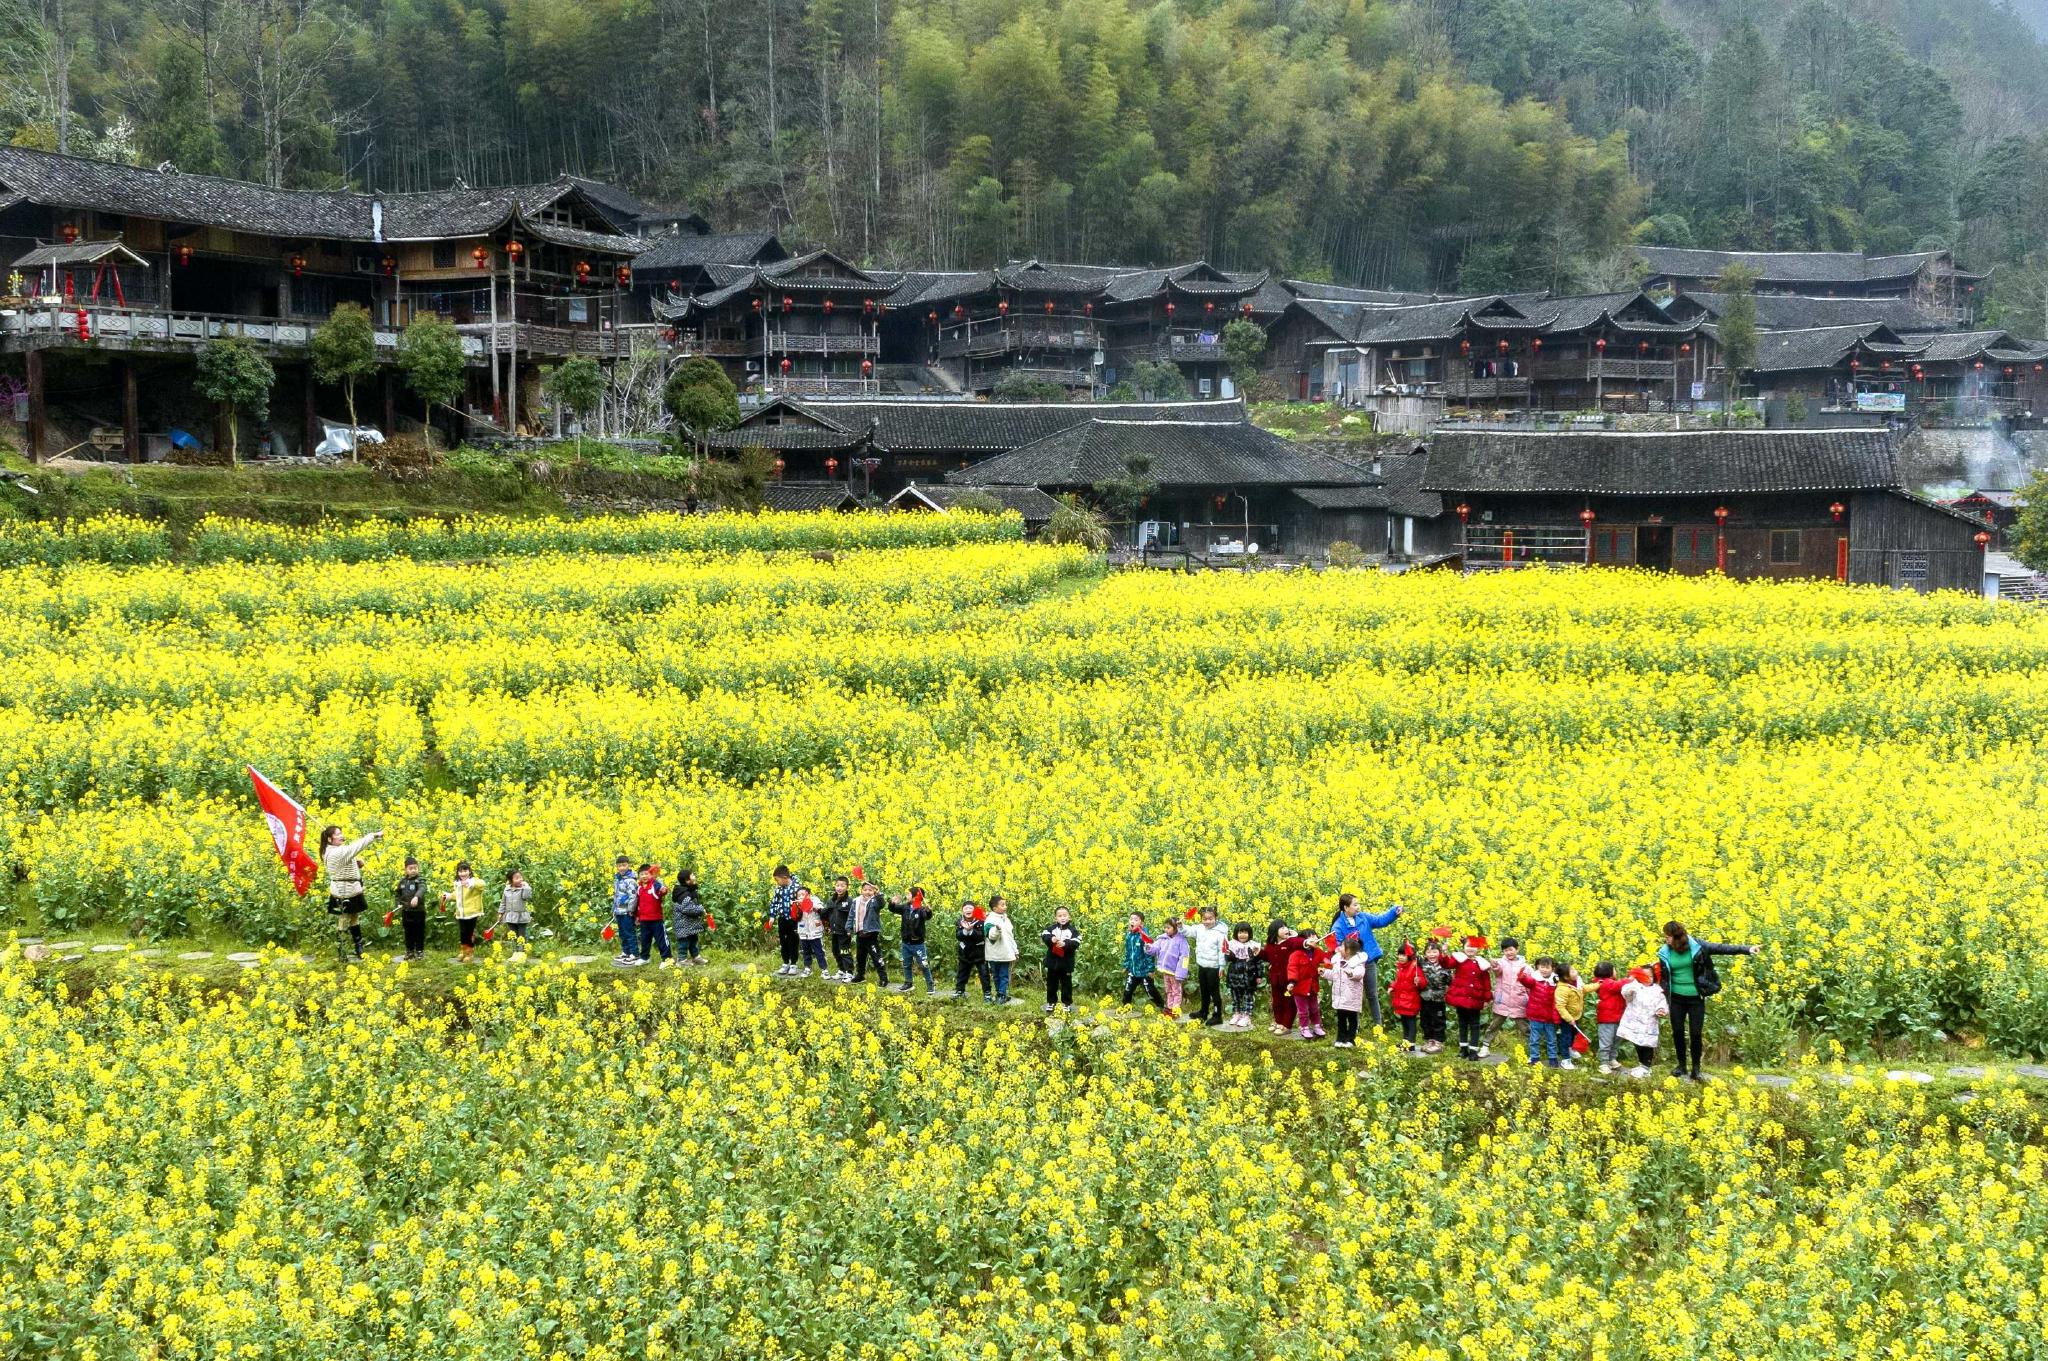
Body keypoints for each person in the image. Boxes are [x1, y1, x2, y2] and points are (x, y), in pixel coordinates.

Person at [1654, 922, 1760, 1081]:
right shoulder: (1665, 951)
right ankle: (1681, 1066)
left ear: (1676, 937)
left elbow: (1722, 948)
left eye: (1667, 936)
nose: (1665, 939)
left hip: (1696, 997)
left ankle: (1696, 1069)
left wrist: (1747, 949)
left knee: (1695, 1033)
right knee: (1677, 1032)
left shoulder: (1697, 946)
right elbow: (1664, 974)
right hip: (1675, 998)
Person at [1328, 894, 1404, 1027]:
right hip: (1351, 965)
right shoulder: (1338, 926)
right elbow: (1339, 946)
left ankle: (1378, 1026)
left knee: (1372, 994)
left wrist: (1394, 911)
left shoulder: (1363, 917)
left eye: (1358, 904)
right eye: (1355, 905)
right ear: (1346, 907)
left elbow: (1381, 921)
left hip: (1368, 961)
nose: (1358, 907)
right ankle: (1354, 1028)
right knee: (1353, 997)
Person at [321, 825, 383, 962]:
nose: (342, 835)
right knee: (343, 919)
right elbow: (357, 847)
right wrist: (373, 835)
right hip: (343, 890)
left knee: (355, 916)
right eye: (338, 834)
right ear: (330, 839)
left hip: (352, 889)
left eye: (341, 832)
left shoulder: (333, 851)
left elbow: (344, 864)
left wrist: (355, 863)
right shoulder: (336, 852)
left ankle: (358, 946)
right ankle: (342, 950)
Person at [1617, 966, 1669, 1078]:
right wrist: (1630, 990)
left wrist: (1661, 1010)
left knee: (1647, 1045)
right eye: (1644, 976)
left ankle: (1646, 1067)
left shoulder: (1657, 990)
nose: (1648, 979)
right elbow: (1626, 994)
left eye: (1650, 976)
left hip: (1648, 1023)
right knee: (1637, 1043)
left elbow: (1662, 1003)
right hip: (1634, 1022)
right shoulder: (1635, 986)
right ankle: (1642, 1065)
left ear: (1654, 977)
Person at [1446, 935, 1493, 1060]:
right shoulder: (1459, 959)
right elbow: (1447, 964)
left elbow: (1486, 982)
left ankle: (1473, 1050)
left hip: (1475, 999)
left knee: (1475, 1024)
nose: (1471, 949)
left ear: (1478, 949)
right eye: (1468, 946)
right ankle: (1463, 1049)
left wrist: (1487, 998)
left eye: (1474, 946)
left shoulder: (1482, 963)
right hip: (1461, 998)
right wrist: (1444, 952)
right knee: (1462, 1023)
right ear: (1463, 947)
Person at [1185, 905, 1232, 1027]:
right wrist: (1180, 926)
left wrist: (1222, 966)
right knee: (1204, 990)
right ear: (1201, 919)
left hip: (1214, 966)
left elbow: (1222, 950)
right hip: (1202, 964)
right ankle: (1203, 1012)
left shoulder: (1220, 933)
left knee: (1214, 991)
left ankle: (1217, 1015)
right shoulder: (1199, 928)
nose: (1207, 921)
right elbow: (1188, 931)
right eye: (1204, 919)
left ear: (1216, 918)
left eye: (1210, 919)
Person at [1518, 957, 1568, 1068]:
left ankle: (1553, 1058)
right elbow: (1527, 981)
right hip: (1535, 1016)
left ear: (1553, 968)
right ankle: (1534, 1057)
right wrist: (1522, 976)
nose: (1544, 970)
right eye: (1542, 967)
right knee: (1534, 1039)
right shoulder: (1535, 978)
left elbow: (1561, 992)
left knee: (1552, 1039)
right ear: (1537, 967)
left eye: (1547, 967)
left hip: (1549, 1017)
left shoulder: (1556, 980)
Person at [1486, 937, 1528, 1057]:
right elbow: (1497, 971)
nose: (1508, 952)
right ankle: (1485, 1045)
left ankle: (1530, 1048)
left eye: (1511, 949)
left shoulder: (1525, 966)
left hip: (1518, 1001)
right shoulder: (1500, 963)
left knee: (1524, 1027)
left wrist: (1529, 999)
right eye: (1505, 950)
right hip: (1502, 1000)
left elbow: (1529, 984)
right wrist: (1494, 965)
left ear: (1517, 949)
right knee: (1495, 1024)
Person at [1326, 937, 1370, 1048]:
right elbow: (1334, 975)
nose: (1339, 948)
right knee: (1341, 1019)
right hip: (1340, 996)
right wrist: (1324, 972)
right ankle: (1340, 1039)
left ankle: (1351, 1039)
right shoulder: (1337, 960)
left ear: (1348, 951)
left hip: (1351, 997)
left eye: (1341, 946)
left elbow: (1359, 974)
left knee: (1352, 1019)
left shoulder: (1358, 962)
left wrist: (1350, 972)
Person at [890, 888, 935, 994]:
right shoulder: (905, 907)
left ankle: (930, 985)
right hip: (906, 943)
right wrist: (892, 903)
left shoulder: (921, 909)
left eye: (909, 894)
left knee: (924, 965)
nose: (906, 896)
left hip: (918, 944)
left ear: (916, 897)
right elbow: (893, 909)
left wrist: (929, 911)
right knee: (906, 964)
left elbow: (927, 916)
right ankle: (908, 983)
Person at [443, 860, 487, 963]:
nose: (463, 873)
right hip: (461, 913)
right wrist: (448, 896)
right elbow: (457, 895)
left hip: (472, 912)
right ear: (457, 873)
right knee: (463, 933)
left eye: (465, 870)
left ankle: (469, 953)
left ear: (470, 871)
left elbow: (482, 884)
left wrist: (470, 883)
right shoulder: (458, 884)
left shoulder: (474, 882)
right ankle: (463, 951)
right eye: (460, 871)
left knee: (469, 933)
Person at [1288, 932, 1330, 1040]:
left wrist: (1327, 963)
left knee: (1315, 1008)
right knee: (1303, 1010)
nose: (1316, 939)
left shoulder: (1318, 952)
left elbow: (1325, 959)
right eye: (1312, 937)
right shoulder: (1296, 954)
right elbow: (1292, 968)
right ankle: (1304, 1027)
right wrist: (1292, 982)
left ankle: (1317, 1026)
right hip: (1299, 988)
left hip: (1313, 987)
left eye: (1316, 937)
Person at [1262, 922, 1301, 1035]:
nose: (1286, 929)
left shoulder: (1291, 942)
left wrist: (1305, 941)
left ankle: (1287, 1025)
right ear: (1274, 931)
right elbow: (1267, 957)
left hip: (1288, 979)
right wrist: (1258, 952)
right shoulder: (1270, 945)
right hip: (1275, 979)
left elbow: (1300, 943)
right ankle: (1279, 1022)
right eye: (1282, 927)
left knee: (1289, 1002)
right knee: (1277, 1002)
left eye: (1286, 927)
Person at [1148, 917, 1190, 1019]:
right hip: (1165, 971)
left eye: (1168, 928)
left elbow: (1184, 958)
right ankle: (1169, 1009)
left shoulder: (1181, 940)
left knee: (1177, 992)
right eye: (1165, 927)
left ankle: (1176, 1010)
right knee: (1169, 991)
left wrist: (1181, 973)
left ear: (1176, 928)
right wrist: (1148, 947)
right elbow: (1155, 949)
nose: (1166, 930)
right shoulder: (1163, 938)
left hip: (1175, 972)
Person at [1121, 913, 1165, 1010]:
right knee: (1128, 990)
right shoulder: (1129, 936)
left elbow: (1149, 954)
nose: (1132, 921)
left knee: (1150, 991)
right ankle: (1125, 1007)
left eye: (1136, 920)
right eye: (1131, 919)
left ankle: (1161, 1006)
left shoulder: (1144, 936)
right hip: (1133, 970)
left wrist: (1151, 970)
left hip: (1144, 971)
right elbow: (1128, 952)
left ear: (1142, 924)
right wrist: (1126, 965)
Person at [1224, 923, 1264, 1030]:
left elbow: (1259, 962)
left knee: (1248, 997)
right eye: (1240, 932)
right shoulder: (1231, 944)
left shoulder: (1254, 945)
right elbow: (1228, 960)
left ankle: (1246, 1016)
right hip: (1234, 975)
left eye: (1245, 932)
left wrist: (1259, 975)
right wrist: (1228, 954)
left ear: (1249, 933)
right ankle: (1236, 1013)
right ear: (1236, 933)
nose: (1242, 935)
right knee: (1235, 997)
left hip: (1249, 976)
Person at [1418, 939, 1454, 1055]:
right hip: (1425, 997)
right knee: (1425, 1020)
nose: (1432, 955)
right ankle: (1429, 1040)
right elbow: (1411, 956)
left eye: (1434, 952)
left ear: (1439, 953)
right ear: (1425, 954)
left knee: (1438, 1020)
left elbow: (1450, 981)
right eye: (1429, 952)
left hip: (1438, 998)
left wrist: (1445, 951)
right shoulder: (1422, 963)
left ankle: (1438, 1042)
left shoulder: (1444, 965)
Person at [768, 865, 804, 977]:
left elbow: (803, 902)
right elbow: (774, 902)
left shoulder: (797, 887)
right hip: (782, 919)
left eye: (777, 880)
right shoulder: (778, 889)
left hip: (793, 920)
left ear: (784, 877)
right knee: (783, 942)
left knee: (793, 941)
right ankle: (785, 963)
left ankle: (793, 964)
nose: (776, 882)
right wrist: (772, 916)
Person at [951, 901, 992, 1001]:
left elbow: (981, 936)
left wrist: (971, 930)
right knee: (962, 973)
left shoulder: (981, 921)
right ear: (962, 911)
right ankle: (960, 991)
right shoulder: (959, 922)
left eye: (970, 908)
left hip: (979, 953)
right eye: (965, 908)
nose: (968, 910)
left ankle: (987, 994)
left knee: (984, 973)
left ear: (974, 911)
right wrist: (965, 931)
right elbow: (958, 936)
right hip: (964, 953)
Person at [1042, 907, 1080, 1012]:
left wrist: (1065, 943)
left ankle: (1066, 1003)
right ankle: (1051, 1002)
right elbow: (1044, 935)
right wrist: (1051, 938)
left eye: (1065, 915)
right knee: (1051, 984)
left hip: (1066, 964)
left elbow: (1076, 942)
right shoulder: (1051, 929)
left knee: (1067, 985)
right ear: (1056, 918)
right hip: (1052, 963)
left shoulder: (1073, 931)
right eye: (1060, 916)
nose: (1062, 918)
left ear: (1069, 917)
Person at [852, 881, 890, 987]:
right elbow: (852, 915)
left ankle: (883, 978)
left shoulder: (875, 901)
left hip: (871, 935)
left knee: (876, 957)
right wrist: (848, 927)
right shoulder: (856, 901)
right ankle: (860, 975)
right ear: (861, 891)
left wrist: (879, 894)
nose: (867, 892)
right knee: (860, 957)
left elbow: (882, 903)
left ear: (874, 891)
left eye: (870, 890)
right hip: (860, 933)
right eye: (865, 889)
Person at [1388, 942, 1424, 1051]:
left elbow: (1423, 982)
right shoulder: (1401, 967)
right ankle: (1405, 1042)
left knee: (1410, 1022)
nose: (1400, 957)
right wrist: (1392, 987)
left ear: (1410, 956)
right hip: (1402, 1000)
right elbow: (1398, 981)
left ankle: (1411, 1044)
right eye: (1399, 954)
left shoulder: (1415, 968)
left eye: (1403, 955)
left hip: (1411, 1000)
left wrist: (1419, 981)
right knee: (1404, 1022)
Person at [984, 895, 1019, 1005]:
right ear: (994, 909)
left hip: (1005, 953)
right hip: (994, 954)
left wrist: (1015, 951)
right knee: (996, 975)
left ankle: (1002, 994)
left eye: (1005, 904)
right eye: (1002, 905)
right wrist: (997, 930)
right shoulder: (990, 920)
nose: (1005, 907)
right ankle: (1000, 994)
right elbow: (991, 936)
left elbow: (1010, 937)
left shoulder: (1005, 919)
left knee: (1003, 975)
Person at [1591, 962, 1626, 1072]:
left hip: (1617, 1017)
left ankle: (1612, 1059)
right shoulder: (1604, 983)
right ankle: (1604, 1063)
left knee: (1616, 1040)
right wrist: (1631, 978)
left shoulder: (1609, 982)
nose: (1616, 972)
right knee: (1606, 1042)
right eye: (1614, 969)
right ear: (1609, 972)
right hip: (1607, 1019)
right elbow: (1619, 985)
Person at [392, 857, 428, 962]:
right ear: (405, 870)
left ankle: (420, 951)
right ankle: (410, 951)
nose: (413, 870)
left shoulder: (420, 880)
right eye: (410, 868)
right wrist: (398, 904)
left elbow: (422, 889)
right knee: (408, 932)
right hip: (406, 911)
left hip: (419, 912)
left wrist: (417, 897)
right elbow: (397, 895)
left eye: (415, 868)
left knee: (419, 932)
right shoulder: (402, 882)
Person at [637, 864, 673, 966]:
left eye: (646, 874)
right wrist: (637, 916)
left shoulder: (654, 884)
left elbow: (661, 890)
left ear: (651, 874)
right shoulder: (639, 887)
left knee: (661, 939)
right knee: (644, 940)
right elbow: (638, 904)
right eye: (642, 874)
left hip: (656, 919)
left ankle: (667, 959)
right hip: (644, 919)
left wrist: (664, 890)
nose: (644, 876)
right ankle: (645, 958)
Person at [672, 869, 709, 964]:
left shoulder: (689, 890)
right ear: (687, 880)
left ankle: (696, 957)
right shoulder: (684, 894)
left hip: (689, 923)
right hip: (683, 924)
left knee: (693, 940)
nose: (695, 876)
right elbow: (687, 909)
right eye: (692, 875)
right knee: (683, 943)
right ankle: (682, 959)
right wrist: (700, 909)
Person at [824, 876, 856, 982]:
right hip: (834, 931)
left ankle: (849, 972)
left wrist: (850, 929)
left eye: (842, 886)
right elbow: (826, 914)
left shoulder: (849, 901)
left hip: (844, 932)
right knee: (835, 951)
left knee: (845, 951)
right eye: (837, 885)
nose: (839, 888)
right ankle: (842, 970)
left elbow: (852, 916)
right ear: (835, 886)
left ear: (847, 887)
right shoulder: (831, 900)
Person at [610, 855, 640, 965]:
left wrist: (631, 910)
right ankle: (626, 952)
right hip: (619, 911)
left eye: (624, 865)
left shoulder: (630, 880)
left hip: (627, 912)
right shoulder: (618, 879)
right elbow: (616, 895)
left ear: (628, 865)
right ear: (617, 867)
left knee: (629, 933)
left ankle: (635, 954)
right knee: (622, 933)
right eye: (619, 866)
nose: (621, 868)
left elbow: (633, 897)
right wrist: (614, 909)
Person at [793, 888, 827, 978]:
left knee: (819, 951)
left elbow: (821, 908)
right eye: (798, 895)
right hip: (803, 931)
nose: (800, 896)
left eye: (802, 894)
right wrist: (796, 906)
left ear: (808, 894)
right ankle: (808, 968)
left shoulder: (814, 900)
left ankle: (824, 969)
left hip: (815, 931)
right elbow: (794, 916)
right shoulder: (797, 903)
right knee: (805, 951)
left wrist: (810, 905)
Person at [495, 870, 533, 944]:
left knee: (521, 937)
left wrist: (527, 887)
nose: (520, 880)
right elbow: (503, 902)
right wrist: (500, 913)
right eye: (517, 878)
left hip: (521, 917)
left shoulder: (523, 889)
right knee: (513, 936)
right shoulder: (506, 889)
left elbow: (526, 897)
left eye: (521, 877)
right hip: (510, 916)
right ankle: (515, 951)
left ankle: (521, 952)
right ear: (510, 881)